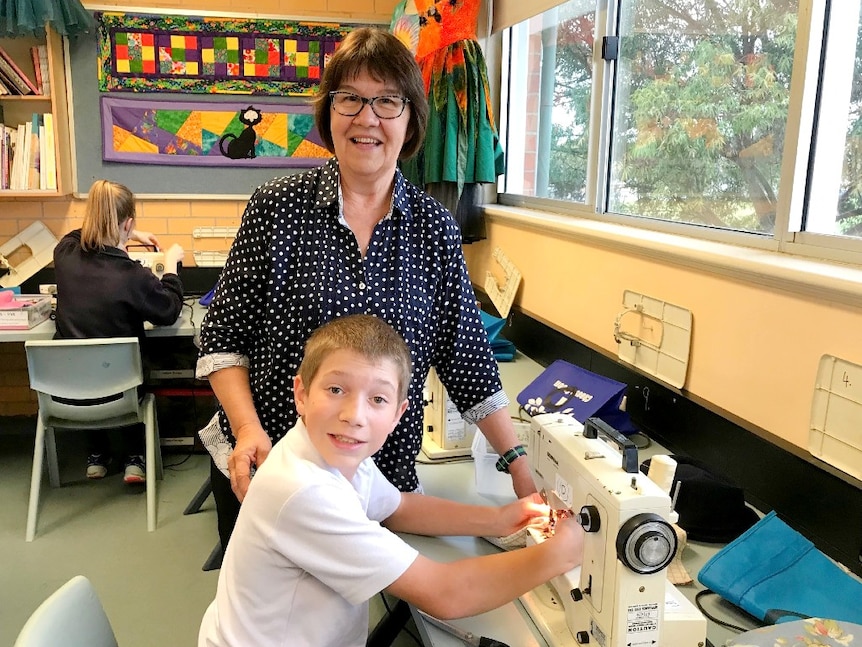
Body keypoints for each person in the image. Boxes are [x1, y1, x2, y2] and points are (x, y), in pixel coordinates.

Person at [196, 27, 535, 551]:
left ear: (411, 119)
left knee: (346, 618)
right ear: (329, 113)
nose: (367, 117)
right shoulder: (275, 207)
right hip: (275, 466)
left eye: (387, 101)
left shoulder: (434, 228)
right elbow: (222, 339)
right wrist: (246, 430)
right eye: (350, 99)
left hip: (378, 482)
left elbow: (465, 356)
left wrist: (518, 465)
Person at [198, 315, 583, 647]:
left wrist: (499, 520)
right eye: (336, 390)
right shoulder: (305, 490)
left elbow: (400, 508)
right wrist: (560, 554)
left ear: (399, 413)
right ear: (300, 393)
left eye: (377, 400)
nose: (355, 415)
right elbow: (445, 593)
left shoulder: (335, 451)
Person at [53, 179, 184, 483]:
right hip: (123, 393)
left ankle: (97, 456)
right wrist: (171, 266)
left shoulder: (64, 254)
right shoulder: (131, 276)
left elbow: (77, 234)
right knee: (126, 373)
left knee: (90, 370)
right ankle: (134, 457)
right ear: (127, 222)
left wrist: (128, 232)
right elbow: (168, 311)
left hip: (68, 392)